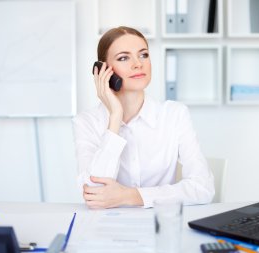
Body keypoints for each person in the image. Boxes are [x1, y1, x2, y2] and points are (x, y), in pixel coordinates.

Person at [73, 26, 214, 209]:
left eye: (143, 55)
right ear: (103, 71)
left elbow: (203, 188)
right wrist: (115, 117)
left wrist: (130, 196)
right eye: (124, 58)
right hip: (109, 228)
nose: (138, 64)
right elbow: (95, 193)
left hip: (160, 225)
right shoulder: (87, 122)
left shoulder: (174, 115)